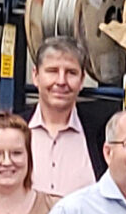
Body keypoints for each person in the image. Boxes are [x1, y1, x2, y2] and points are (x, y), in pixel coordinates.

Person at [26, 35, 97, 197]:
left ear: (82, 80)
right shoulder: (15, 129)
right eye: (52, 71)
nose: (61, 81)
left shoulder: (101, 136)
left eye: (71, 72)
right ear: (36, 76)